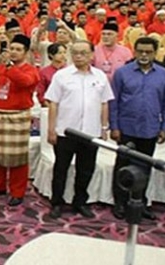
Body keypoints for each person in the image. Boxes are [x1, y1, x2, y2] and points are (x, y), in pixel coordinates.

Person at [45, 40, 114, 220]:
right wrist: (51, 129)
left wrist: (104, 128)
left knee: (86, 170)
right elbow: (53, 103)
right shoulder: (61, 76)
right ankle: (57, 203)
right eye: (75, 53)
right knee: (60, 169)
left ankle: (80, 201)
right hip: (65, 131)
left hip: (91, 132)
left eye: (83, 53)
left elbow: (104, 103)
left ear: (92, 55)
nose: (78, 56)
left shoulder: (100, 76)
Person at [110, 36, 165, 220]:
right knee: (123, 166)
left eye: (148, 52)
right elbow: (114, 102)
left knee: (145, 167)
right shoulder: (122, 73)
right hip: (126, 129)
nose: (144, 55)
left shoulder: (164, 74)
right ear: (134, 51)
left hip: (150, 129)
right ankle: (120, 203)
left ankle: (140, 202)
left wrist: (164, 128)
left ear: (155, 53)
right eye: (140, 51)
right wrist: (114, 127)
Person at [0, 34, 40, 206]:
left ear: (26, 53)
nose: (13, 52)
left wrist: (10, 68)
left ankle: (17, 191)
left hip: (16, 117)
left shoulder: (30, 71)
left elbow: (24, 82)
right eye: (12, 48)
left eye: (18, 49)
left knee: (16, 157)